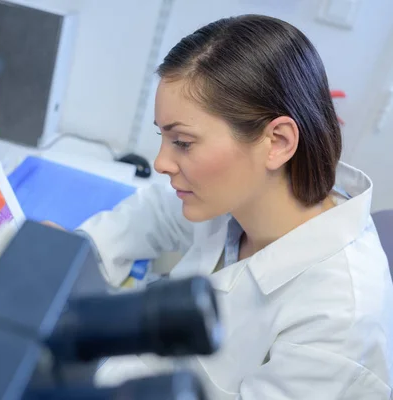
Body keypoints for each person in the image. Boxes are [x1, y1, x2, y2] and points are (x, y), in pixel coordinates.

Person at [46, 14, 393, 399]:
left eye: (183, 142)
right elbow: (155, 214)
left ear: (277, 142)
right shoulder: (237, 198)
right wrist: (72, 258)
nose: (161, 162)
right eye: (164, 137)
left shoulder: (339, 319)